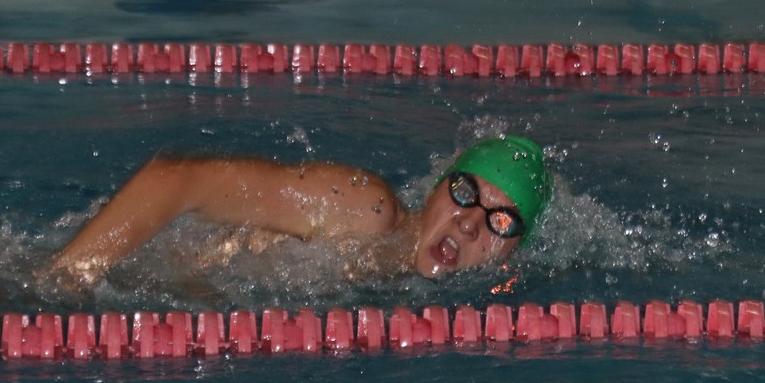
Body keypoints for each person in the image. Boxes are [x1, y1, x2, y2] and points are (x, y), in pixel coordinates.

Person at [47, 135, 551, 288]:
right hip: (119, 280)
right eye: (464, 191)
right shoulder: (365, 210)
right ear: (437, 189)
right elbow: (175, 179)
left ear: (512, 254)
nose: (469, 222)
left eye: (501, 221)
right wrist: (68, 279)